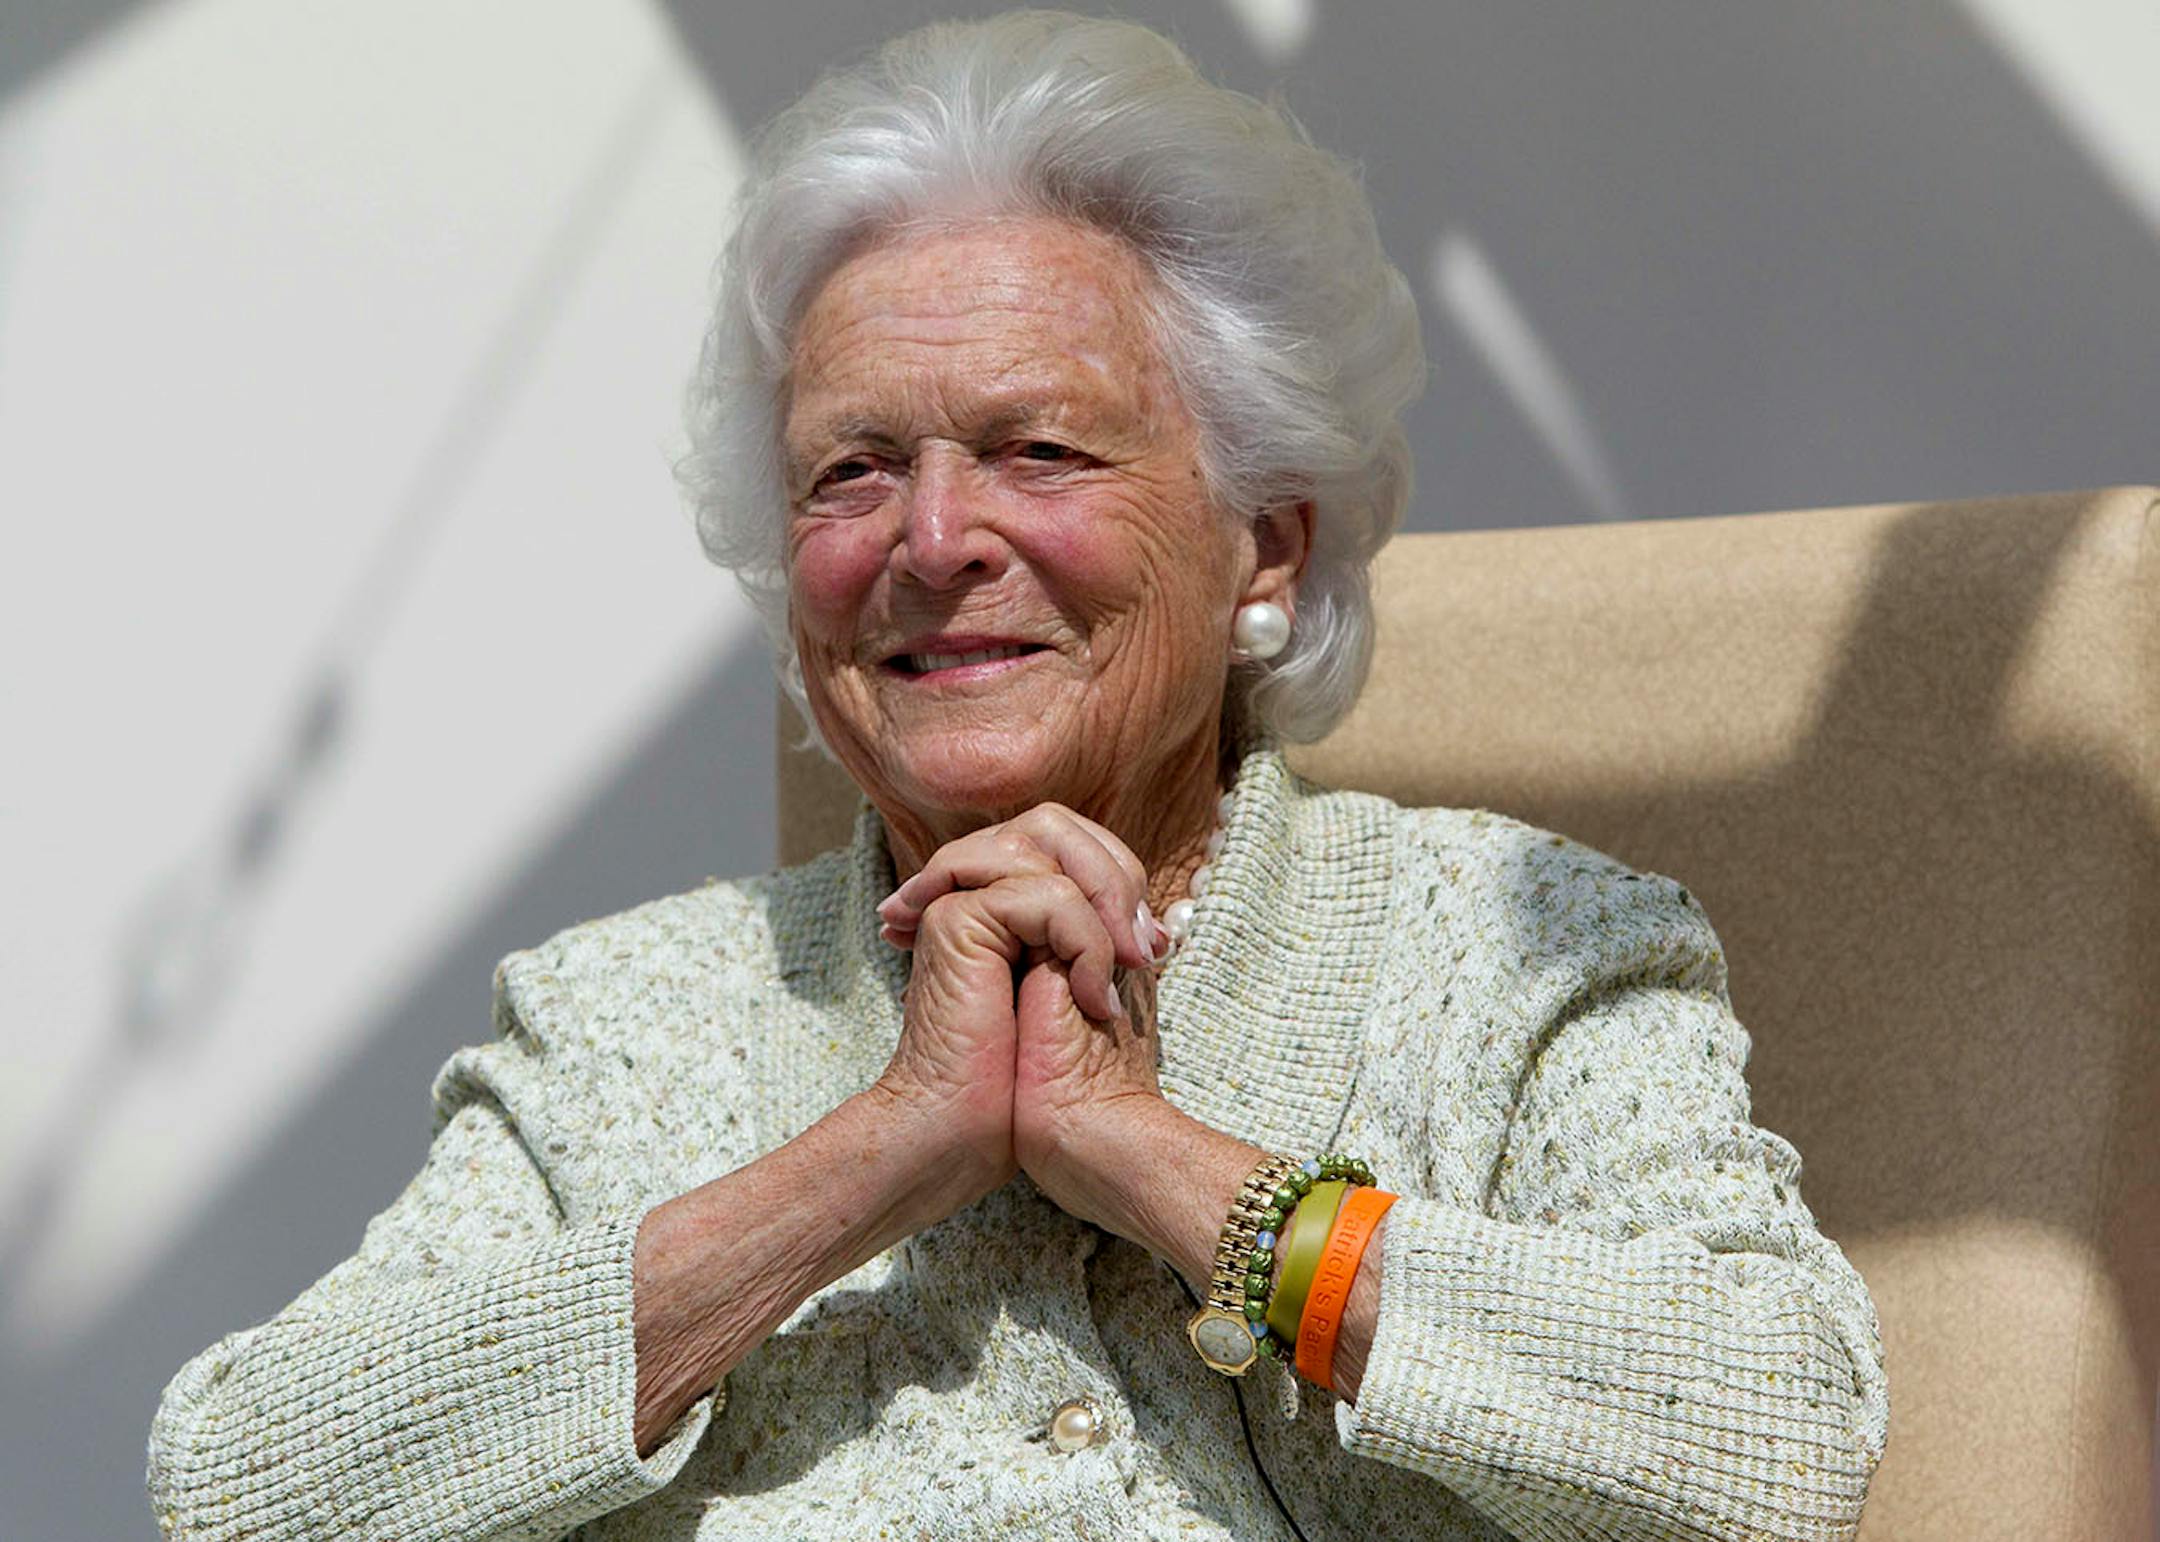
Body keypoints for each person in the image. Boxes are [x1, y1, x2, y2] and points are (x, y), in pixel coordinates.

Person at [146, 12, 1888, 1539]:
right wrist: (875, 1154)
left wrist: (1161, 1164)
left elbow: (1773, 1438)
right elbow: (241, 1487)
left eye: (1037, 449)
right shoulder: (623, 1023)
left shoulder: (1515, 953)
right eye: (851, 472)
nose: (931, 539)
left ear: (1263, 551)